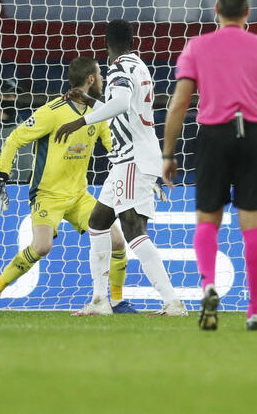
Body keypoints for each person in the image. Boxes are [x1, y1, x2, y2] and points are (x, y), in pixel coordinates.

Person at [162, 0, 257, 332]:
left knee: (208, 220)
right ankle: (255, 311)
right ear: (248, 12)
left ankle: (208, 286)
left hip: (213, 135)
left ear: (217, 10)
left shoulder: (197, 47)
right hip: (252, 136)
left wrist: (168, 154)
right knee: (252, 224)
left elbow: (179, 104)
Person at [0, 57, 137, 314]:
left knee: (117, 241)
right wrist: (0, 180)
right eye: (100, 75)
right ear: (91, 80)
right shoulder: (52, 112)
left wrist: (136, 170)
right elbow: (14, 139)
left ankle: (116, 301)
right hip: (47, 195)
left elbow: (112, 147)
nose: (104, 79)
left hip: (79, 195)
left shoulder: (99, 113)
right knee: (41, 247)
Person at [55, 20, 187, 317]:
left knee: (132, 229)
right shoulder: (138, 64)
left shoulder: (117, 68)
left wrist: (81, 119)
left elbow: (122, 103)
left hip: (131, 157)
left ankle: (172, 301)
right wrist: (89, 99)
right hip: (131, 158)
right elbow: (121, 102)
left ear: (106, 42)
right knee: (98, 222)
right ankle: (101, 300)